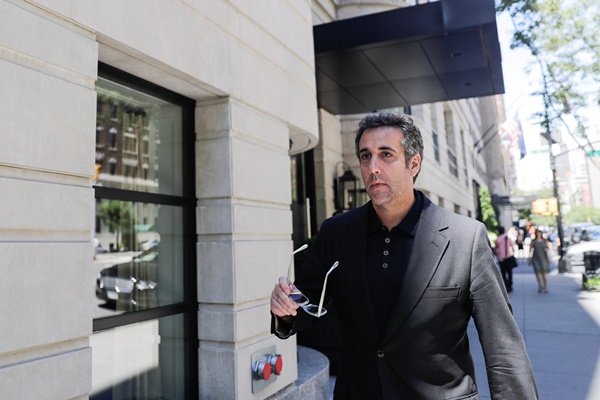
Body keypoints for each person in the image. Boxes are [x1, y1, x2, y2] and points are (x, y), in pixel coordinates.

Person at [270, 112, 538, 399]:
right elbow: (306, 304)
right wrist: (285, 309)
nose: (372, 167)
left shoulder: (465, 238)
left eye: (386, 155)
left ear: (414, 163)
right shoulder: (336, 232)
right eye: (365, 156)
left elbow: (503, 347)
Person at [494, 226, 516, 293]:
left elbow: (495, 249)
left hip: (501, 259)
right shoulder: (507, 238)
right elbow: (513, 247)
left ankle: (505, 286)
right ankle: (510, 285)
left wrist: (498, 255)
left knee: (503, 273)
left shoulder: (497, 239)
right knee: (509, 272)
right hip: (508, 257)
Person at [529, 228, 550, 293]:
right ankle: (540, 285)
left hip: (543, 258)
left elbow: (548, 248)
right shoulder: (533, 241)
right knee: (538, 272)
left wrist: (546, 250)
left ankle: (545, 286)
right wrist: (529, 258)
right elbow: (530, 249)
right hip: (535, 258)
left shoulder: (544, 240)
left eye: (539, 233)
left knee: (544, 273)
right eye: (537, 233)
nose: (538, 234)